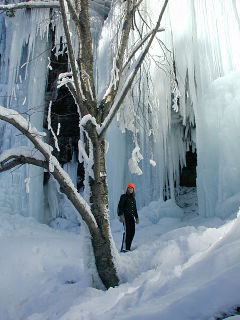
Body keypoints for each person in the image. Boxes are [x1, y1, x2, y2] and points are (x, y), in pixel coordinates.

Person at [118, 183, 139, 252]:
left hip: (131, 217)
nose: (130, 189)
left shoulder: (133, 199)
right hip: (125, 217)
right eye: (129, 188)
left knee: (132, 232)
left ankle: (128, 247)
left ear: (133, 190)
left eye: (131, 188)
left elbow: (135, 209)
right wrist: (121, 215)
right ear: (127, 189)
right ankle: (124, 248)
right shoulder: (124, 196)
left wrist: (136, 217)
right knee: (127, 232)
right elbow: (120, 206)